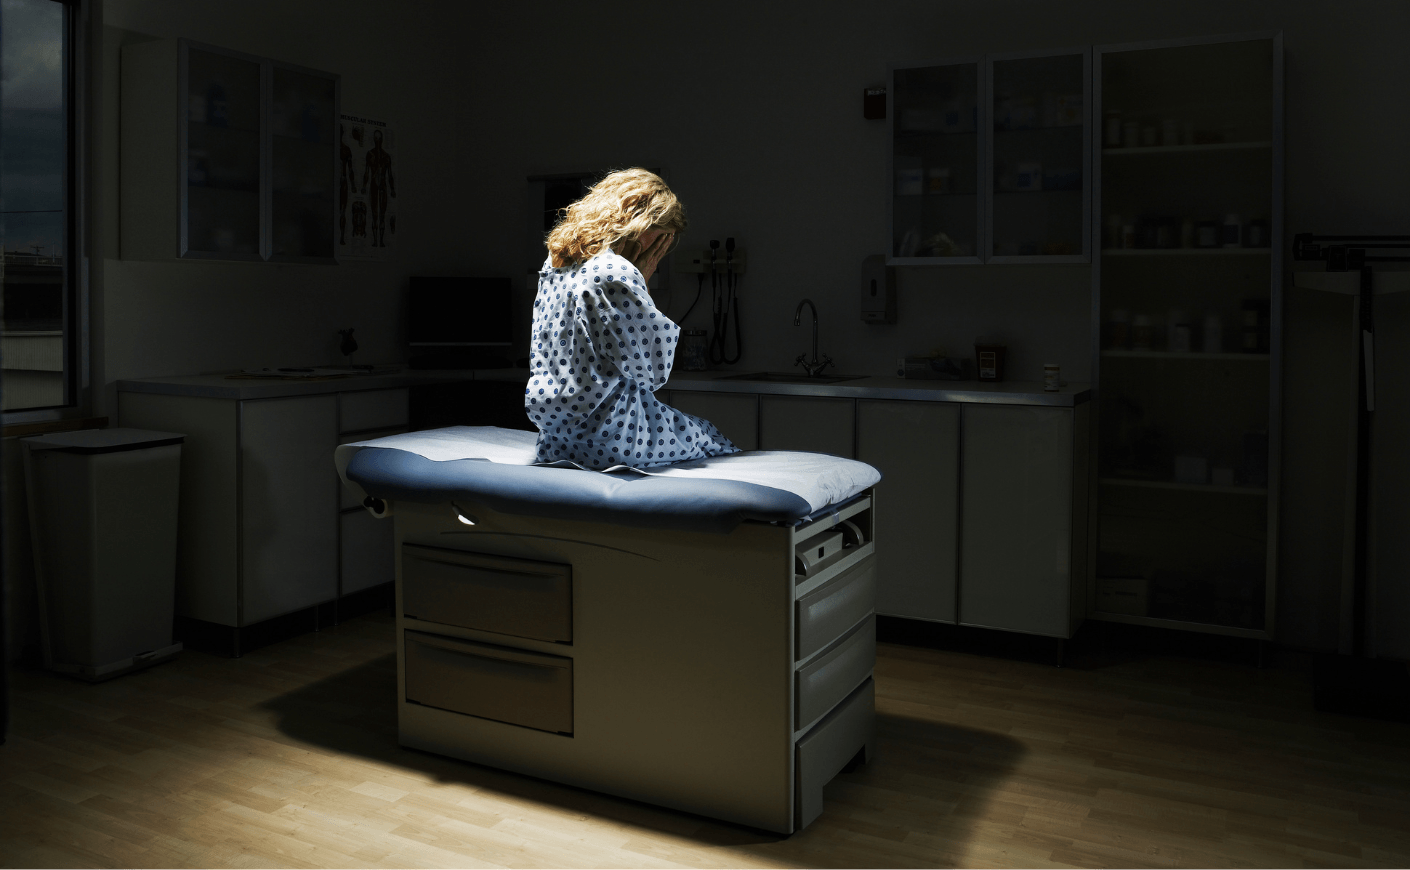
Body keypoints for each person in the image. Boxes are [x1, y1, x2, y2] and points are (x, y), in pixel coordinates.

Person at [526, 168, 739, 469]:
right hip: (614, 440)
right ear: (637, 222)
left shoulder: (555, 263)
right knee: (710, 436)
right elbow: (651, 374)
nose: (661, 246)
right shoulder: (615, 271)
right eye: (661, 234)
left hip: (555, 441)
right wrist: (643, 280)